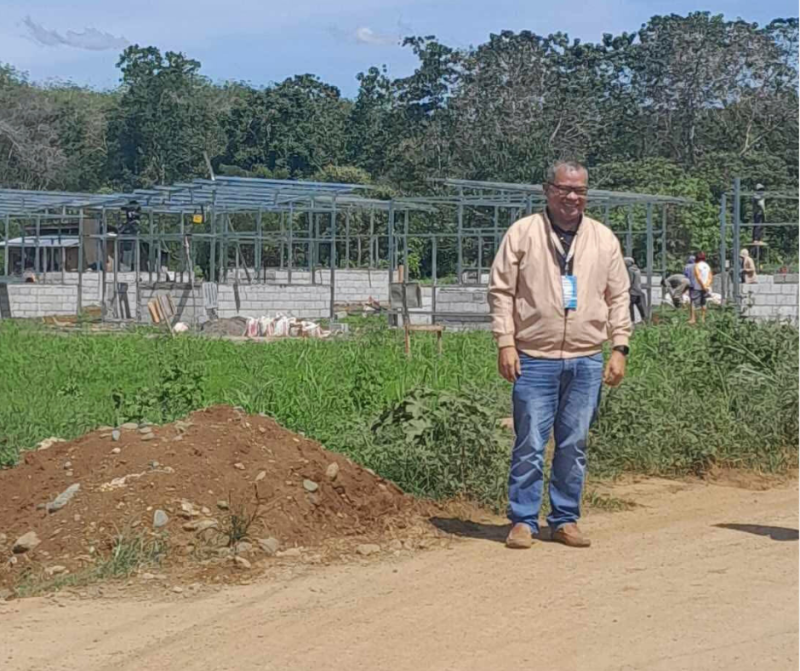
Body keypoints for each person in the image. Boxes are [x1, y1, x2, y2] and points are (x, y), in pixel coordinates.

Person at [488, 160, 631, 550]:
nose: (572, 197)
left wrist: (619, 347)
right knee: (530, 441)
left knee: (574, 443)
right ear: (547, 190)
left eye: (580, 190)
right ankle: (523, 520)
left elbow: (618, 297)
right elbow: (501, 291)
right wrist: (505, 341)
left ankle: (565, 519)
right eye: (564, 189)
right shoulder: (523, 233)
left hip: (586, 358)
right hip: (534, 356)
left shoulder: (603, 239)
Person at [689, 252, 713, 324]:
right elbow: (710, 277)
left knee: (693, 302)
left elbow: (698, 277)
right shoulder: (707, 266)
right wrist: (706, 285)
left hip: (697, 287)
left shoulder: (697, 266)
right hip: (705, 288)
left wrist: (702, 286)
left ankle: (693, 319)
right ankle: (703, 319)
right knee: (703, 303)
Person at [624, 257, 647, 323]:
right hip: (638, 290)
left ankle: (632, 320)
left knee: (630, 306)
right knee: (639, 305)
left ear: (629, 263)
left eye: (625, 262)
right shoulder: (637, 270)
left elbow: (630, 280)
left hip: (632, 290)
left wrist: (627, 288)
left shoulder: (630, 270)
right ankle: (644, 318)